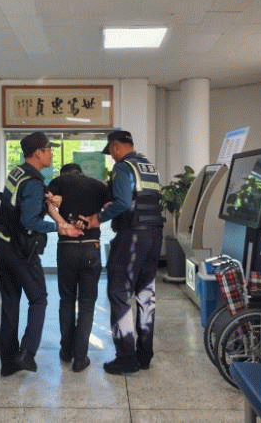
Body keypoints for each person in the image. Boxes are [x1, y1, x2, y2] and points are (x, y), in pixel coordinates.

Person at [0, 132, 82, 377]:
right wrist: (59, 227)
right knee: (39, 298)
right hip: (21, 251)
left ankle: (8, 362)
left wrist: (45, 200)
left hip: (3, 247)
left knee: (10, 304)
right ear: (38, 153)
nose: (51, 153)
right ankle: (27, 353)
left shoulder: (18, 173)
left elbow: (17, 205)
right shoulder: (33, 182)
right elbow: (29, 221)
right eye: (49, 149)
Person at [80, 130, 164, 375]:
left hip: (133, 237)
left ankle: (126, 358)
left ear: (116, 146)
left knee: (119, 292)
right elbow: (140, 200)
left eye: (110, 152)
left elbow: (124, 203)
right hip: (154, 235)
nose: (111, 157)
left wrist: (98, 218)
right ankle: (144, 355)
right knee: (146, 294)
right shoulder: (148, 167)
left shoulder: (123, 167)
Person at [47, 163, 110, 372]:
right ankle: (80, 358)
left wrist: (63, 224)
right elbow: (113, 205)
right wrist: (95, 220)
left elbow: (47, 203)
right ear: (81, 173)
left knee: (66, 300)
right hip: (91, 247)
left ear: (64, 174)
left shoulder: (59, 182)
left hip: (67, 248)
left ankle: (66, 351)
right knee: (87, 303)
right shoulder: (97, 186)